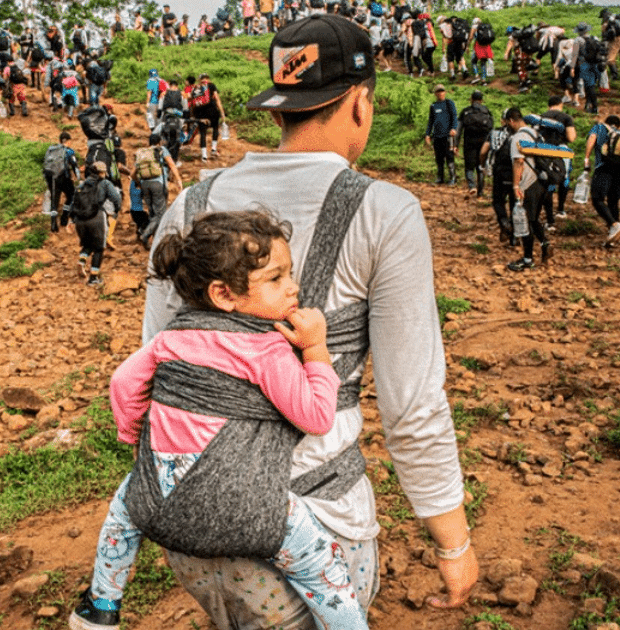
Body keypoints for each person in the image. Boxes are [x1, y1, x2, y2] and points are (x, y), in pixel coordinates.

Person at [127, 14, 476, 629]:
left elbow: (160, 359)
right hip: (311, 523)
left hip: (191, 520)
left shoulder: (194, 203)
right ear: (361, 105)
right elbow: (412, 401)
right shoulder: (384, 213)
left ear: (280, 105)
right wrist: (452, 541)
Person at [70, 211, 371, 630]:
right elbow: (317, 416)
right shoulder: (265, 350)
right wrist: (316, 348)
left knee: (123, 513)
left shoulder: (171, 337)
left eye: (289, 274)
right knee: (322, 568)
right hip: (246, 504)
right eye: (275, 278)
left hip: (160, 495)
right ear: (224, 295)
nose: (293, 287)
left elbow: (123, 384)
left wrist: (136, 438)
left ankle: (102, 604)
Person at [63, 162, 122, 287]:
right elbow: (116, 198)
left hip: (80, 220)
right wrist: (116, 210)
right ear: (102, 172)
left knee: (87, 244)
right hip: (96, 217)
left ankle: (82, 260)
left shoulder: (82, 184)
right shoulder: (105, 183)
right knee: (99, 248)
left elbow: (73, 204)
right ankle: (93, 279)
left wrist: (72, 220)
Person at [505, 112, 551, 271]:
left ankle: (527, 259)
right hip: (542, 182)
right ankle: (545, 244)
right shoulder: (535, 134)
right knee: (533, 219)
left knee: (524, 221)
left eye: (507, 123)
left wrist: (516, 186)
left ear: (511, 121)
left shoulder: (517, 138)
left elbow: (519, 162)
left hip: (528, 183)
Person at [583, 115, 620, 247]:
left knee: (597, 198)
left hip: (604, 168)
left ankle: (614, 225)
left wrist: (586, 158)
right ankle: (614, 232)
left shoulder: (599, 127)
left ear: (607, 122)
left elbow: (592, 138)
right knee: (613, 201)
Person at [133, 133, 182, 238]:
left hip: (145, 184)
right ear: (159, 142)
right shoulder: (161, 150)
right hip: (158, 184)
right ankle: (144, 234)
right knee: (160, 214)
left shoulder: (142, 153)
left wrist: (139, 184)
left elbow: (133, 174)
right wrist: (178, 180)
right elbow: (171, 164)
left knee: (152, 213)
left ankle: (154, 237)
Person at [481, 107, 517, 246]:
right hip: (516, 172)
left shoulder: (495, 133)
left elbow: (484, 151)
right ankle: (514, 238)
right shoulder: (522, 134)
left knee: (498, 201)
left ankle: (504, 222)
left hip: (500, 172)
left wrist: (482, 165)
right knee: (515, 204)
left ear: (504, 120)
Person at [538, 95, 577, 227]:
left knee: (548, 180)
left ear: (549, 105)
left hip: (545, 150)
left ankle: (549, 219)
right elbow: (571, 138)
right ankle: (560, 209)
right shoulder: (566, 117)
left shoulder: (541, 117)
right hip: (561, 149)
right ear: (561, 104)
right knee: (564, 178)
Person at [43, 132, 81, 233]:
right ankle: (64, 218)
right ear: (68, 141)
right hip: (63, 178)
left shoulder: (51, 150)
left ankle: (53, 225)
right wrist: (79, 178)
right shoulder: (68, 151)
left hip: (51, 178)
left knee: (55, 200)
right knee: (71, 195)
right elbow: (75, 166)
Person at [459, 90, 492, 197]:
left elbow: (458, 130)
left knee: (469, 167)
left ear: (471, 99)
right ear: (481, 100)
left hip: (469, 143)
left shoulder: (465, 111)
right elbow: (491, 129)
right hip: (483, 143)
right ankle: (481, 192)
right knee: (480, 166)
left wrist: (455, 144)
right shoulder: (487, 111)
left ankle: (472, 186)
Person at [424, 84, 459, 185]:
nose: (440, 93)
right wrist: (427, 134)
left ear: (445, 92)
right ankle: (440, 178)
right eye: (438, 92)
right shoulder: (433, 106)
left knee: (449, 157)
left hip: (447, 136)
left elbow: (454, 117)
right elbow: (431, 121)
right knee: (439, 158)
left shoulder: (449, 103)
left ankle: (453, 177)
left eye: (442, 91)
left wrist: (453, 128)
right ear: (435, 94)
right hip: (437, 136)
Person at [190, 73, 226, 162]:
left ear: (199, 80)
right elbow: (217, 99)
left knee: (203, 133)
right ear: (208, 78)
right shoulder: (211, 85)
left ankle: (204, 156)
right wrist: (222, 113)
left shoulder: (196, 88)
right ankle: (213, 149)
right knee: (215, 128)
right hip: (212, 111)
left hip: (200, 113)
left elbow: (192, 103)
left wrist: (192, 115)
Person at [571, 22, 602, 114]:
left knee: (589, 87)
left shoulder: (578, 40)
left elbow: (574, 55)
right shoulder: (595, 38)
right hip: (596, 64)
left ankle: (595, 107)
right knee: (591, 85)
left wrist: (572, 67)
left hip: (585, 65)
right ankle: (588, 105)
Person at [598, 8, 620, 81]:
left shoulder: (606, 24)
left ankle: (614, 75)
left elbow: (604, 37)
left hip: (617, 38)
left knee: (610, 58)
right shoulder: (619, 20)